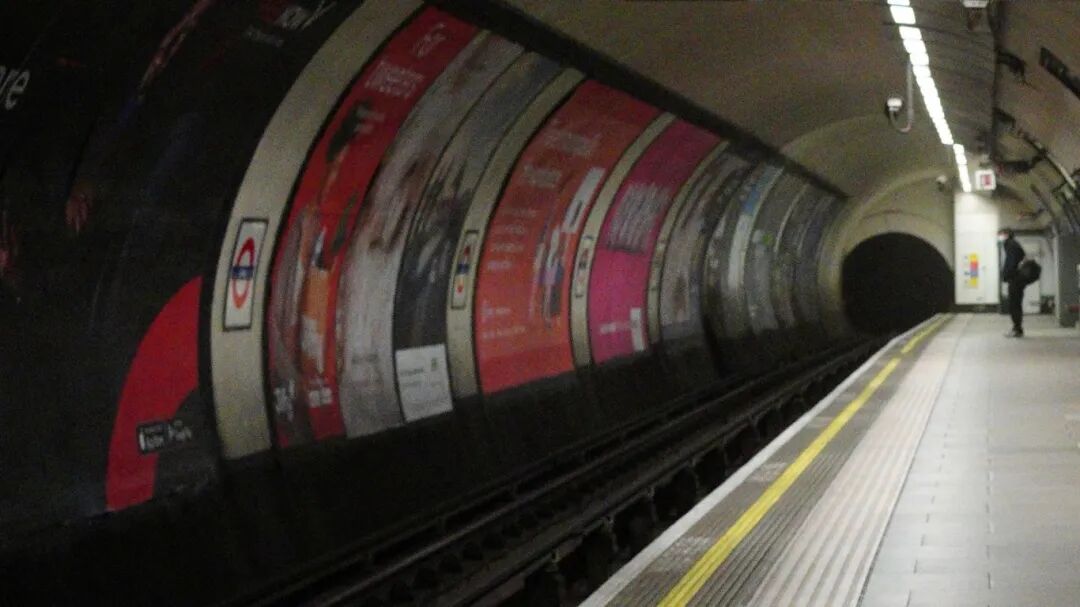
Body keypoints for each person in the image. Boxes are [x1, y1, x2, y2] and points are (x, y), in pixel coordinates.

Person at [999, 228, 1026, 337]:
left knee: (1013, 304)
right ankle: (1017, 328)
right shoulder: (1015, 244)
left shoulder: (1010, 244)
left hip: (1014, 279)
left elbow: (1011, 262)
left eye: (1000, 235)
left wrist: (1006, 275)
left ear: (1006, 234)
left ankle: (1017, 329)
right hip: (1018, 279)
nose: (1000, 237)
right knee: (1016, 304)